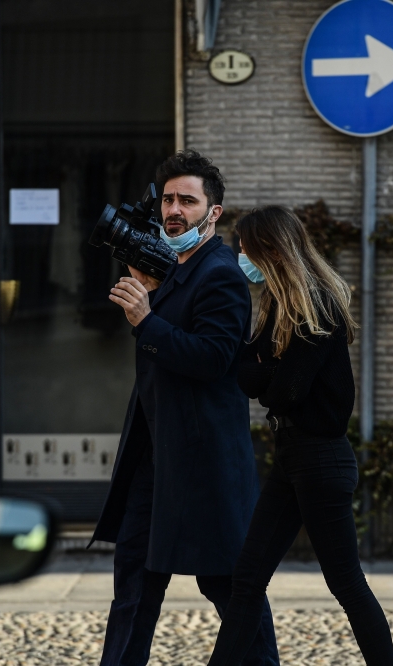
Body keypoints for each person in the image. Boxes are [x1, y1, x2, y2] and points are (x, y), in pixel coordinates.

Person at [91, 150, 279, 666]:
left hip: (201, 465)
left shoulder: (219, 273)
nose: (174, 209)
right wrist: (150, 300)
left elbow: (215, 359)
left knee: (229, 589)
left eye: (188, 201)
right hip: (155, 460)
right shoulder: (171, 267)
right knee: (133, 588)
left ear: (213, 213)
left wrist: (145, 319)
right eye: (169, 199)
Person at [206, 205, 393, 666]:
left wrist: (261, 375)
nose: (241, 256)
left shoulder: (318, 308)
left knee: (346, 582)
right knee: (247, 579)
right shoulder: (278, 307)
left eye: (246, 248)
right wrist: (261, 373)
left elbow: (284, 390)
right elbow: (248, 370)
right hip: (294, 459)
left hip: (321, 461)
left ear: (271, 250)